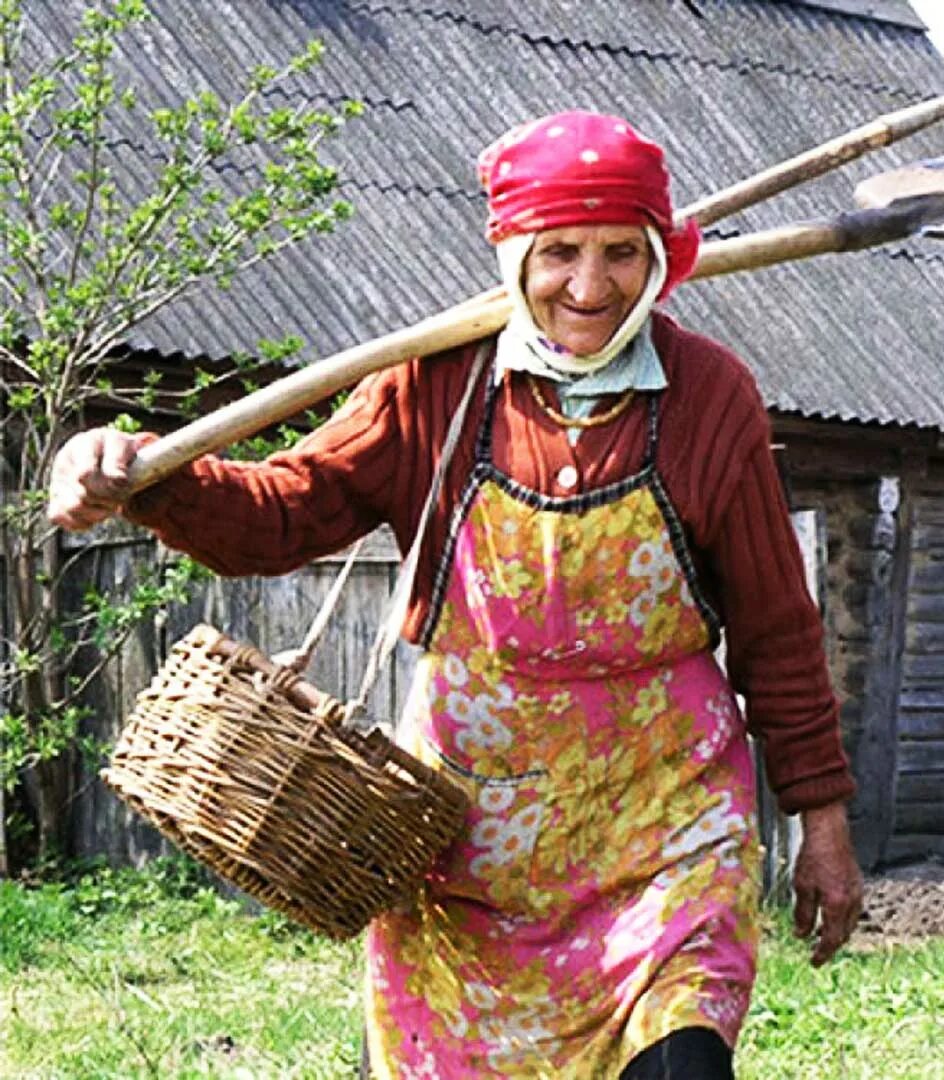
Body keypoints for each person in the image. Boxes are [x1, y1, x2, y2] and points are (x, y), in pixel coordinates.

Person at [48, 110, 863, 1078]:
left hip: (664, 833)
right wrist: (148, 476)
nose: (590, 287)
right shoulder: (433, 384)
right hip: (470, 849)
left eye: (620, 253)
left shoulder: (708, 395)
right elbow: (282, 517)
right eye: (559, 252)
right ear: (512, 254)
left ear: (658, 256)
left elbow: (776, 629)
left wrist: (824, 824)